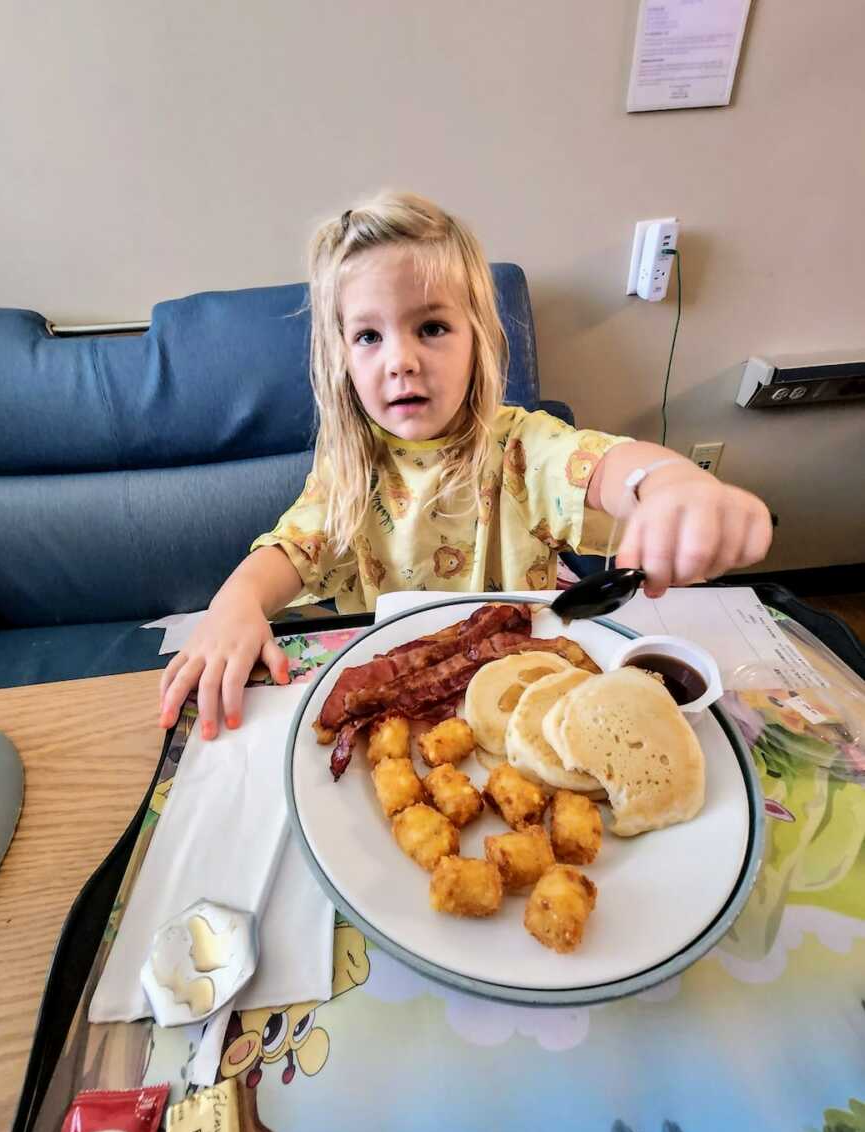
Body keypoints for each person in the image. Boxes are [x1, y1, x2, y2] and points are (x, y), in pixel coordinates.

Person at [159, 191, 772, 739]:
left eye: (431, 327)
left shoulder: (520, 447)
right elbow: (294, 549)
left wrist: (665, 483)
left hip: (524, 696)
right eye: (369, 336)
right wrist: (235, 601)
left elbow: (600, 465)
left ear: (477, 337)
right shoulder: (350, 466)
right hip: (406, 696)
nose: (400, 360)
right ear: (339, 356)